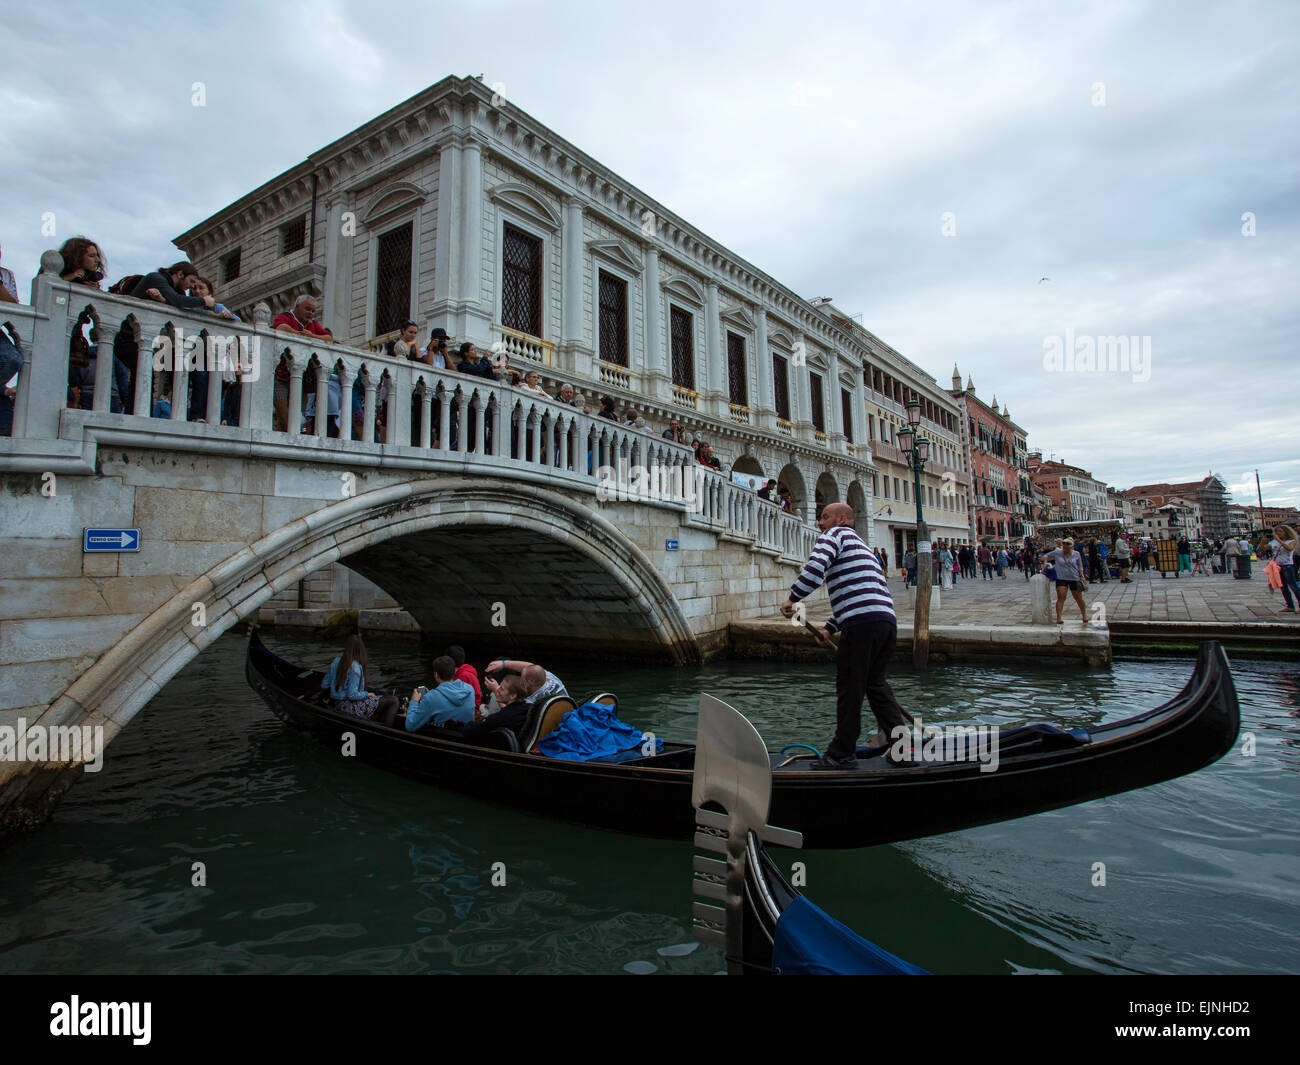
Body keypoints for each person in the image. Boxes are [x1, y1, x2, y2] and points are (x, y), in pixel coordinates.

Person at [780, 502, 910, 770]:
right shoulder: (862, 547)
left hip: (862, 624)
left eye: (825, 517)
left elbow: (815, 568)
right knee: (876, 686)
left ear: (842, 519)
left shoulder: (835, 536)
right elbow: (860, 591)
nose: (820, 523)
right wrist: (829, 627)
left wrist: (793, 598)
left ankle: (841, 754)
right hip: (885, 622)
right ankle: (902, 748)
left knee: (850, 688)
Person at [322, 633, 399, 725]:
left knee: (380, 697)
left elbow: (324, 685)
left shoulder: (335, 661)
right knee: (393, 700)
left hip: (337, 704)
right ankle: (386, 731)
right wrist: (367, 694)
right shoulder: (355, 668)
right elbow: (352, 695)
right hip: (351, 708)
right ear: (361, 650)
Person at [406, 656, 478, 731]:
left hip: (445, 737)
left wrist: (414, 701)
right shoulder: (469, 689)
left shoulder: (432, 697)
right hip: (466, 735)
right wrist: (431, 695)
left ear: (436, 675)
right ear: (454, 672)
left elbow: (410, 726)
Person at [1044, 538, 1088, 625]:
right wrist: (1045, 563)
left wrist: (1082, 576)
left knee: (1078, 598)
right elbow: (1046, 556)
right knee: (1061, 596)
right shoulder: (1057, 552)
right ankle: (1059, 617)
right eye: (1064, 544)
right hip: (1061, 578)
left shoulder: (1076, 554)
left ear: (1071, 546)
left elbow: (1080, 566)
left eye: (1067, 545)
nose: (1065, 546)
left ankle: (1084, 615)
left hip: (1074, 577)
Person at [1270, 526, 1300, 612]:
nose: (1278, 534)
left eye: (1280, 531)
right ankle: (1290, 606)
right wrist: (1263, 542)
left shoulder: (1292, 541)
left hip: (1288, 566)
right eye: (1277, 532)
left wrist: (1279, 541)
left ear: (1286, 532)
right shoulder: (1275, 542)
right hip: (1277, 566)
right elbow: (1262, 548)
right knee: (1283, 587)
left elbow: (1289, 548)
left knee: (1293, 586)